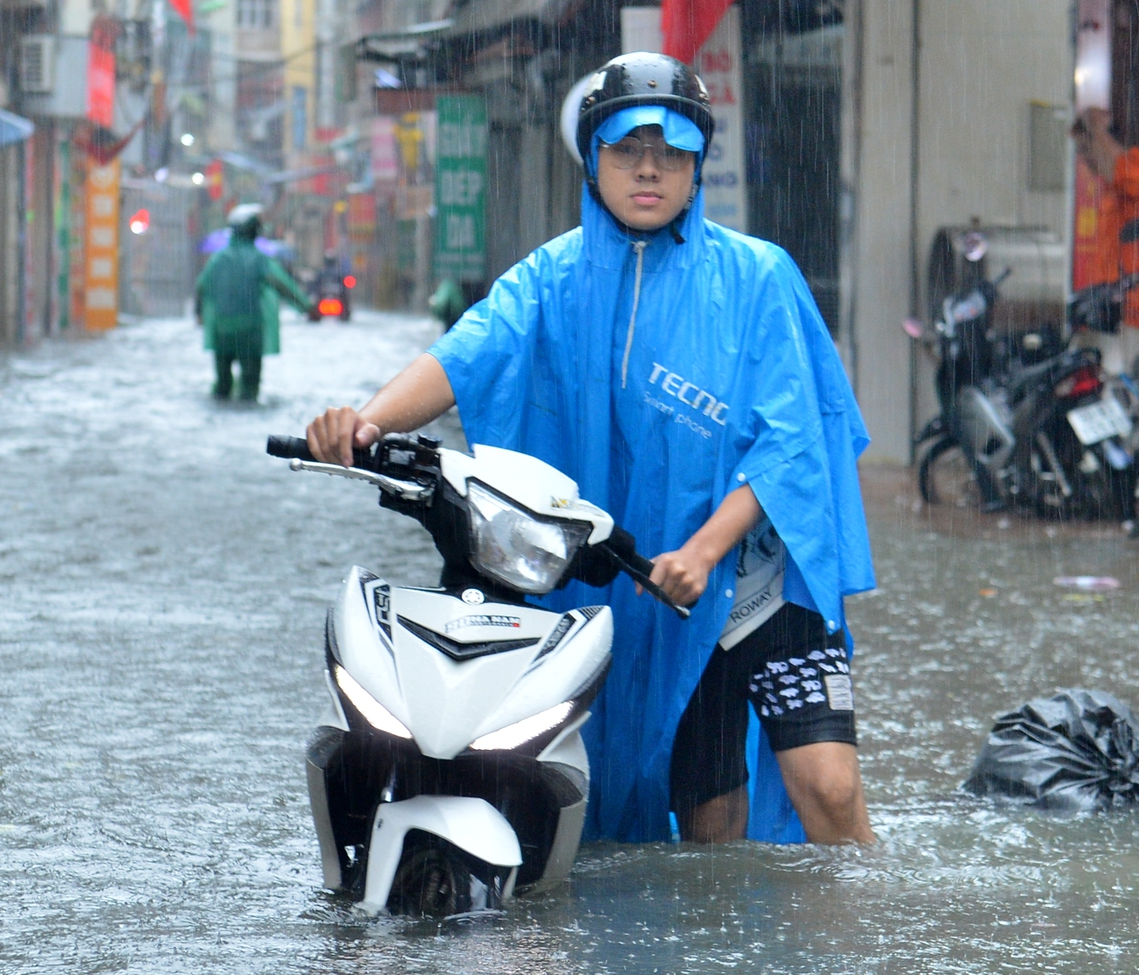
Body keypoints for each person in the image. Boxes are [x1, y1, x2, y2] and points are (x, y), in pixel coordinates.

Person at [306, 52, 877, 846]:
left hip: (755, 579)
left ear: (697, 163)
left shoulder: (758, 277)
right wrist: (364, 426)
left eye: (672, 152)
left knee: (831, 789)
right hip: (653, 583)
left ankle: (854, 968)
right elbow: (462, 357)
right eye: (627, 150)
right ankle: (713, 973)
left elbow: (794, 447)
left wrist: (707, 551)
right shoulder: (549, 279)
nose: (649, 170)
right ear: (594, 160)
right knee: (708, 827)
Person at [1070, 108, 1139, 371]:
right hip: (1109, 315)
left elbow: (1125, 175)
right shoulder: (1110, 191)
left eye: (1085, 149)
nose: (1084, 159)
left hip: (1137, 314)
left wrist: (1098, 132)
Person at [195, 204, 313, 401]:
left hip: (222, 328)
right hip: (250, 329)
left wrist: (199, 314)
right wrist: (306, 306)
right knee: (249, 388)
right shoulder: (260, 259)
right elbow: (282, 285)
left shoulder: (218, 259)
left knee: (222, 385)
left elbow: (201, 286)